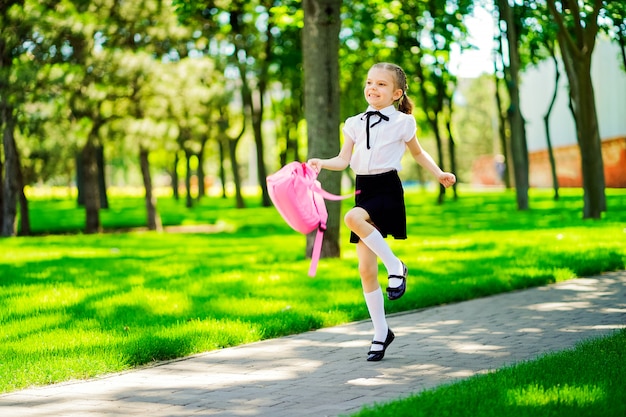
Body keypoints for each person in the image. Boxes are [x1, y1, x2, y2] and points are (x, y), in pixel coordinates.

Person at [308, 62, 456, 362]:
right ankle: (381, 332)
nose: (372, 88)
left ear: (396, 94)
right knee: (365, 270)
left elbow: (417, 152)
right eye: (369, 82)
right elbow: (342, 159)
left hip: (387, 188)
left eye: (381, 85)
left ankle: (396, 266)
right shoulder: (352, 122)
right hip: (364, 187)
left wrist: (439, 173)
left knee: (351, 218)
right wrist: (322, 163)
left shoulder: (403, 122)